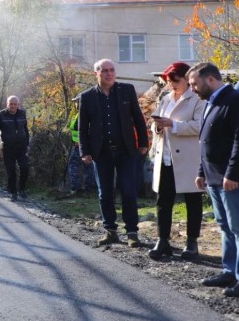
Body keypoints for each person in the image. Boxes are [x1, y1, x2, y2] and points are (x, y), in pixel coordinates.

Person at [78, 59, 149, 247]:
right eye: (104, 71)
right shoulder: (87, 97)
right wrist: (84, 151)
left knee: (128, 191)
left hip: (126, 150)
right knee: (105, 193)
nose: (109, 74)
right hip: (101, 152)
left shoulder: (127, 90)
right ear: (96, 73)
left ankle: (132, 232)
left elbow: (138, 118)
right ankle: (110, 231)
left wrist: (143, 141)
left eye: (112, 70)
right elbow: (82, 127)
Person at [189, 62, 239, 296]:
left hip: (230, 179)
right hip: (214, 178)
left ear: (210, 80)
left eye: (194, 84)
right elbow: (206, 140)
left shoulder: (234, 100)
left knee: (237, 228)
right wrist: (201, 171)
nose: (193, 89)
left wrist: (233, 173)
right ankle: (230, 271)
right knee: (225, 227)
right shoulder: (210, 102)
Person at [148, 62, 205, 260]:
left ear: (187, 79)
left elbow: (200, 126)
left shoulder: (197, 99)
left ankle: (192, 242)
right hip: (165, 155)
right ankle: (162, 240)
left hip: (188, 157)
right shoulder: (165, 99)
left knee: (193, 200)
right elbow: (155, 126)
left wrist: (172, 124)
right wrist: (158, 126)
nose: (171, 84)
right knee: (163, 200)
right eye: (168, 80)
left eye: (175, 80)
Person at [0, 95, 30, 201]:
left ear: (18, 105)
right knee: (11, 170)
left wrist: (27, 145)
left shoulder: (22, 113)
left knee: (25, 168)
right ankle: (13, 192)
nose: (13, 106)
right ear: (7, 104)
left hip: (21, 147)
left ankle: (22, 189)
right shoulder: (1, 115)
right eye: (11, 104)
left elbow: (26, 130)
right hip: (8, 147)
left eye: (15, 104)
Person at [67, 97, 96, 195]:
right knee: (87, 165)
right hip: (79, 145)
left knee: (75, 165)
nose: (76, 104)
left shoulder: (84, 115)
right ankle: (88, 187)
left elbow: (88, 131)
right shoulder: (79, 114)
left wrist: (82, 143)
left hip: (82, 146)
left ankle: (78, 187)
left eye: (77, 102)